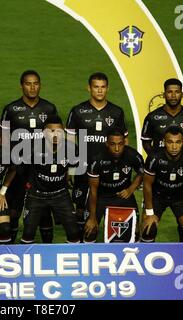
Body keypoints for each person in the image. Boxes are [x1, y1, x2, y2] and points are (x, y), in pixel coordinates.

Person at [66, 72, 128, 240]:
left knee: (107, 204)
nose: (99, 91)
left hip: (108, 170)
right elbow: (70, 141)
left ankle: (106, 239)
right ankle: (79, 242)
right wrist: (71, 167)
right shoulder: (78, 111)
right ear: (89, 88)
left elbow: (124, 142)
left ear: (107, 88)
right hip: (83, 167)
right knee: (80, 208)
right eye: (96, 87)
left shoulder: (116, 112)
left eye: (103, 87)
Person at [1, 70, 58, 243]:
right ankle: (9, 245)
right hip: (18, 168)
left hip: (43, 168)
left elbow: (57, 136)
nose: (32, 87)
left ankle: (47, 248)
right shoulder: (11, 109)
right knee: (14, 209)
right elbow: (3, 139)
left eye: (36, 83)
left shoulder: (49, 108)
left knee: (44, 210)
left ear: (40, 85)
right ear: (21, 86)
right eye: (28, 83)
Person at [20, 115, 80, 244]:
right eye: (51, 131)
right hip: (36, 196)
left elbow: (75, 164)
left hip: (60, 195)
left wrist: (69, 174)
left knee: (74, 232)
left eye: (59, 131)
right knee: (28, 233)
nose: (55, 135)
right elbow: (21, 170)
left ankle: (70, 259)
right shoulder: (32, 149)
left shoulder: (71, 148)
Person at [141, 126, 183, 243]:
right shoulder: (154, 158)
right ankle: (144, 257)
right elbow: (147, 184)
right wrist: (149, 213)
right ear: (164, 142)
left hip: (180, 197)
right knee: (148, 229)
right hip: (157, 197)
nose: (174, 147)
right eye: (170, 142)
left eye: (178, 142)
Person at [85, 130, 144, 242]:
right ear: (107, 143)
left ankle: (134, 254)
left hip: (124, 194)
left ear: (124, 142)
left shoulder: (133, 155)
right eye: (113, 144)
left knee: (135, 231)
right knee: (90, 231)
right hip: (102, 196)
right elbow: (93, 190)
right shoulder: (97, 159)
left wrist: (131, 189)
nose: (117, 148)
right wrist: (92, 218)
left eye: (120, 144)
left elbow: (142, 172)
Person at [141, 78, 183, 156]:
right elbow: (146, 142)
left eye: (177, 92)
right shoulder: (152, 117)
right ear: (164, 95)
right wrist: (156, 159)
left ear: (181, 95)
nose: (173, 96)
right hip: (160, 164)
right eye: (169, 92)